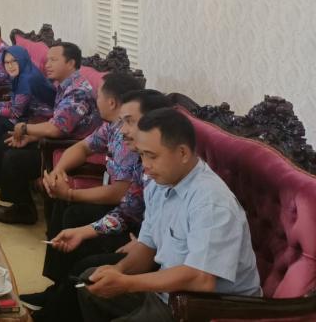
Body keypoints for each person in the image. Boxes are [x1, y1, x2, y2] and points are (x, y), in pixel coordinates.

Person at [77, 108, 261, 322]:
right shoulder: (158, 184)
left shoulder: (211, 203)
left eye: (152, 156)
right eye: (142, 155)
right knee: (90, 282)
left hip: (206, 308)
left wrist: (127, 283)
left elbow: (201, 280)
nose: (145, 166)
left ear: (183, 153)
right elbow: (147, 247)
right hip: (168, 293)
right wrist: (118, 271)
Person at [24, 88, 175, 321]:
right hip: (140, 232)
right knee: (73, 221)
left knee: (87, 266)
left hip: (151, 250)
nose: (122, 129)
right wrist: (83, 230)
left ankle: (54, 309)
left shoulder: (171, 176)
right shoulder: (146, 165)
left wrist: (143, 243)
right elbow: (128, 210)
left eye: (129, 122)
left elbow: (124, 198)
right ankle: (57, 290)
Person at [0, 42, 100, 224]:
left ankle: (24, 211)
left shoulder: (78, 91)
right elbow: (58, 124)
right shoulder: (65, 85)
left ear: (71, 63)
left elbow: (57, 128)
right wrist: (31, 137)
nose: (47, 65)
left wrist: (25, 128)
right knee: (10, 142)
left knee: (14, 158)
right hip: (60, 141)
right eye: (47, 60)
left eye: (53, 60)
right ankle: (19, 204)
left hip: (70, 149)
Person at [0, 45, 56, 182]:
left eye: (14, 61)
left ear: (22, 59)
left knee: (0, 122)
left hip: (40, 121)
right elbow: (16, 103)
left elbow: (15, 112)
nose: (10, 66)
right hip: (29, 115)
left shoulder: (26, 78)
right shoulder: (22, 74)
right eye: (6, 62)